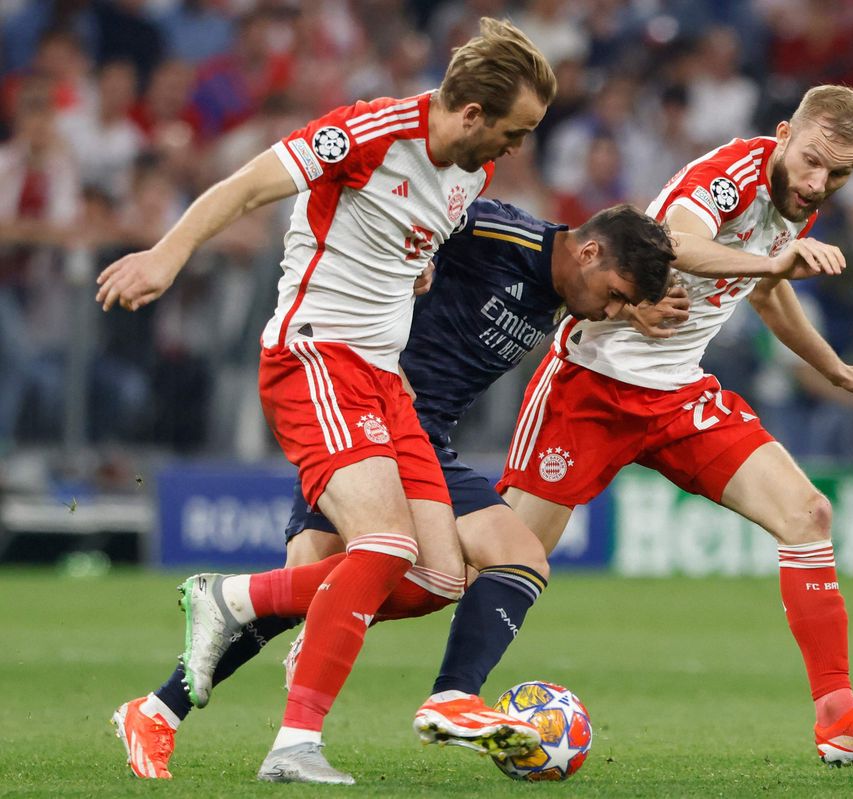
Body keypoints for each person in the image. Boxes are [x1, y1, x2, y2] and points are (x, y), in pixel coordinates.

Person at [97, 17, 557, 785]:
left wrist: (410, 280)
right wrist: (166, 255)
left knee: (438, 576)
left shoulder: (469, 176)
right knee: (381, 546)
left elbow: (406, 249)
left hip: (384, 381)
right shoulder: (371, 132)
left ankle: (230, 601)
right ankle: (295, 744)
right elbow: (248, 185)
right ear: (473, 114)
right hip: (314, 355)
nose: (515, 150)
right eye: (515, 132)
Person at [109, 198, 678, 780]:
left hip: (415, 432)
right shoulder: (502, 233)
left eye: (621, 306)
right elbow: (410, 210)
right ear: (588, 252)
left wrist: (627, 310)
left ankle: (160, 709)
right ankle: (430, 699)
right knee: (503, 559)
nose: (611, 310)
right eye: (614, 294)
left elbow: (606, 283)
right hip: (366, 410)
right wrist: (416, 261)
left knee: (317, 591)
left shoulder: (570, 292)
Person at [492, 84, 853, 766]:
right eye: (812, 160)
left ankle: (839, 714)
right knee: (496, 561)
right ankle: (322, 603)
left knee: (808, 514)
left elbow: (768, 290)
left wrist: (836, 369)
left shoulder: (795, 202)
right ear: (784, 133)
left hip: (678, 395)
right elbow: (679, 240)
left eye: (839, 172)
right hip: (593, 388)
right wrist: (770, 261)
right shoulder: (731, 173)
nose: (819, 183)